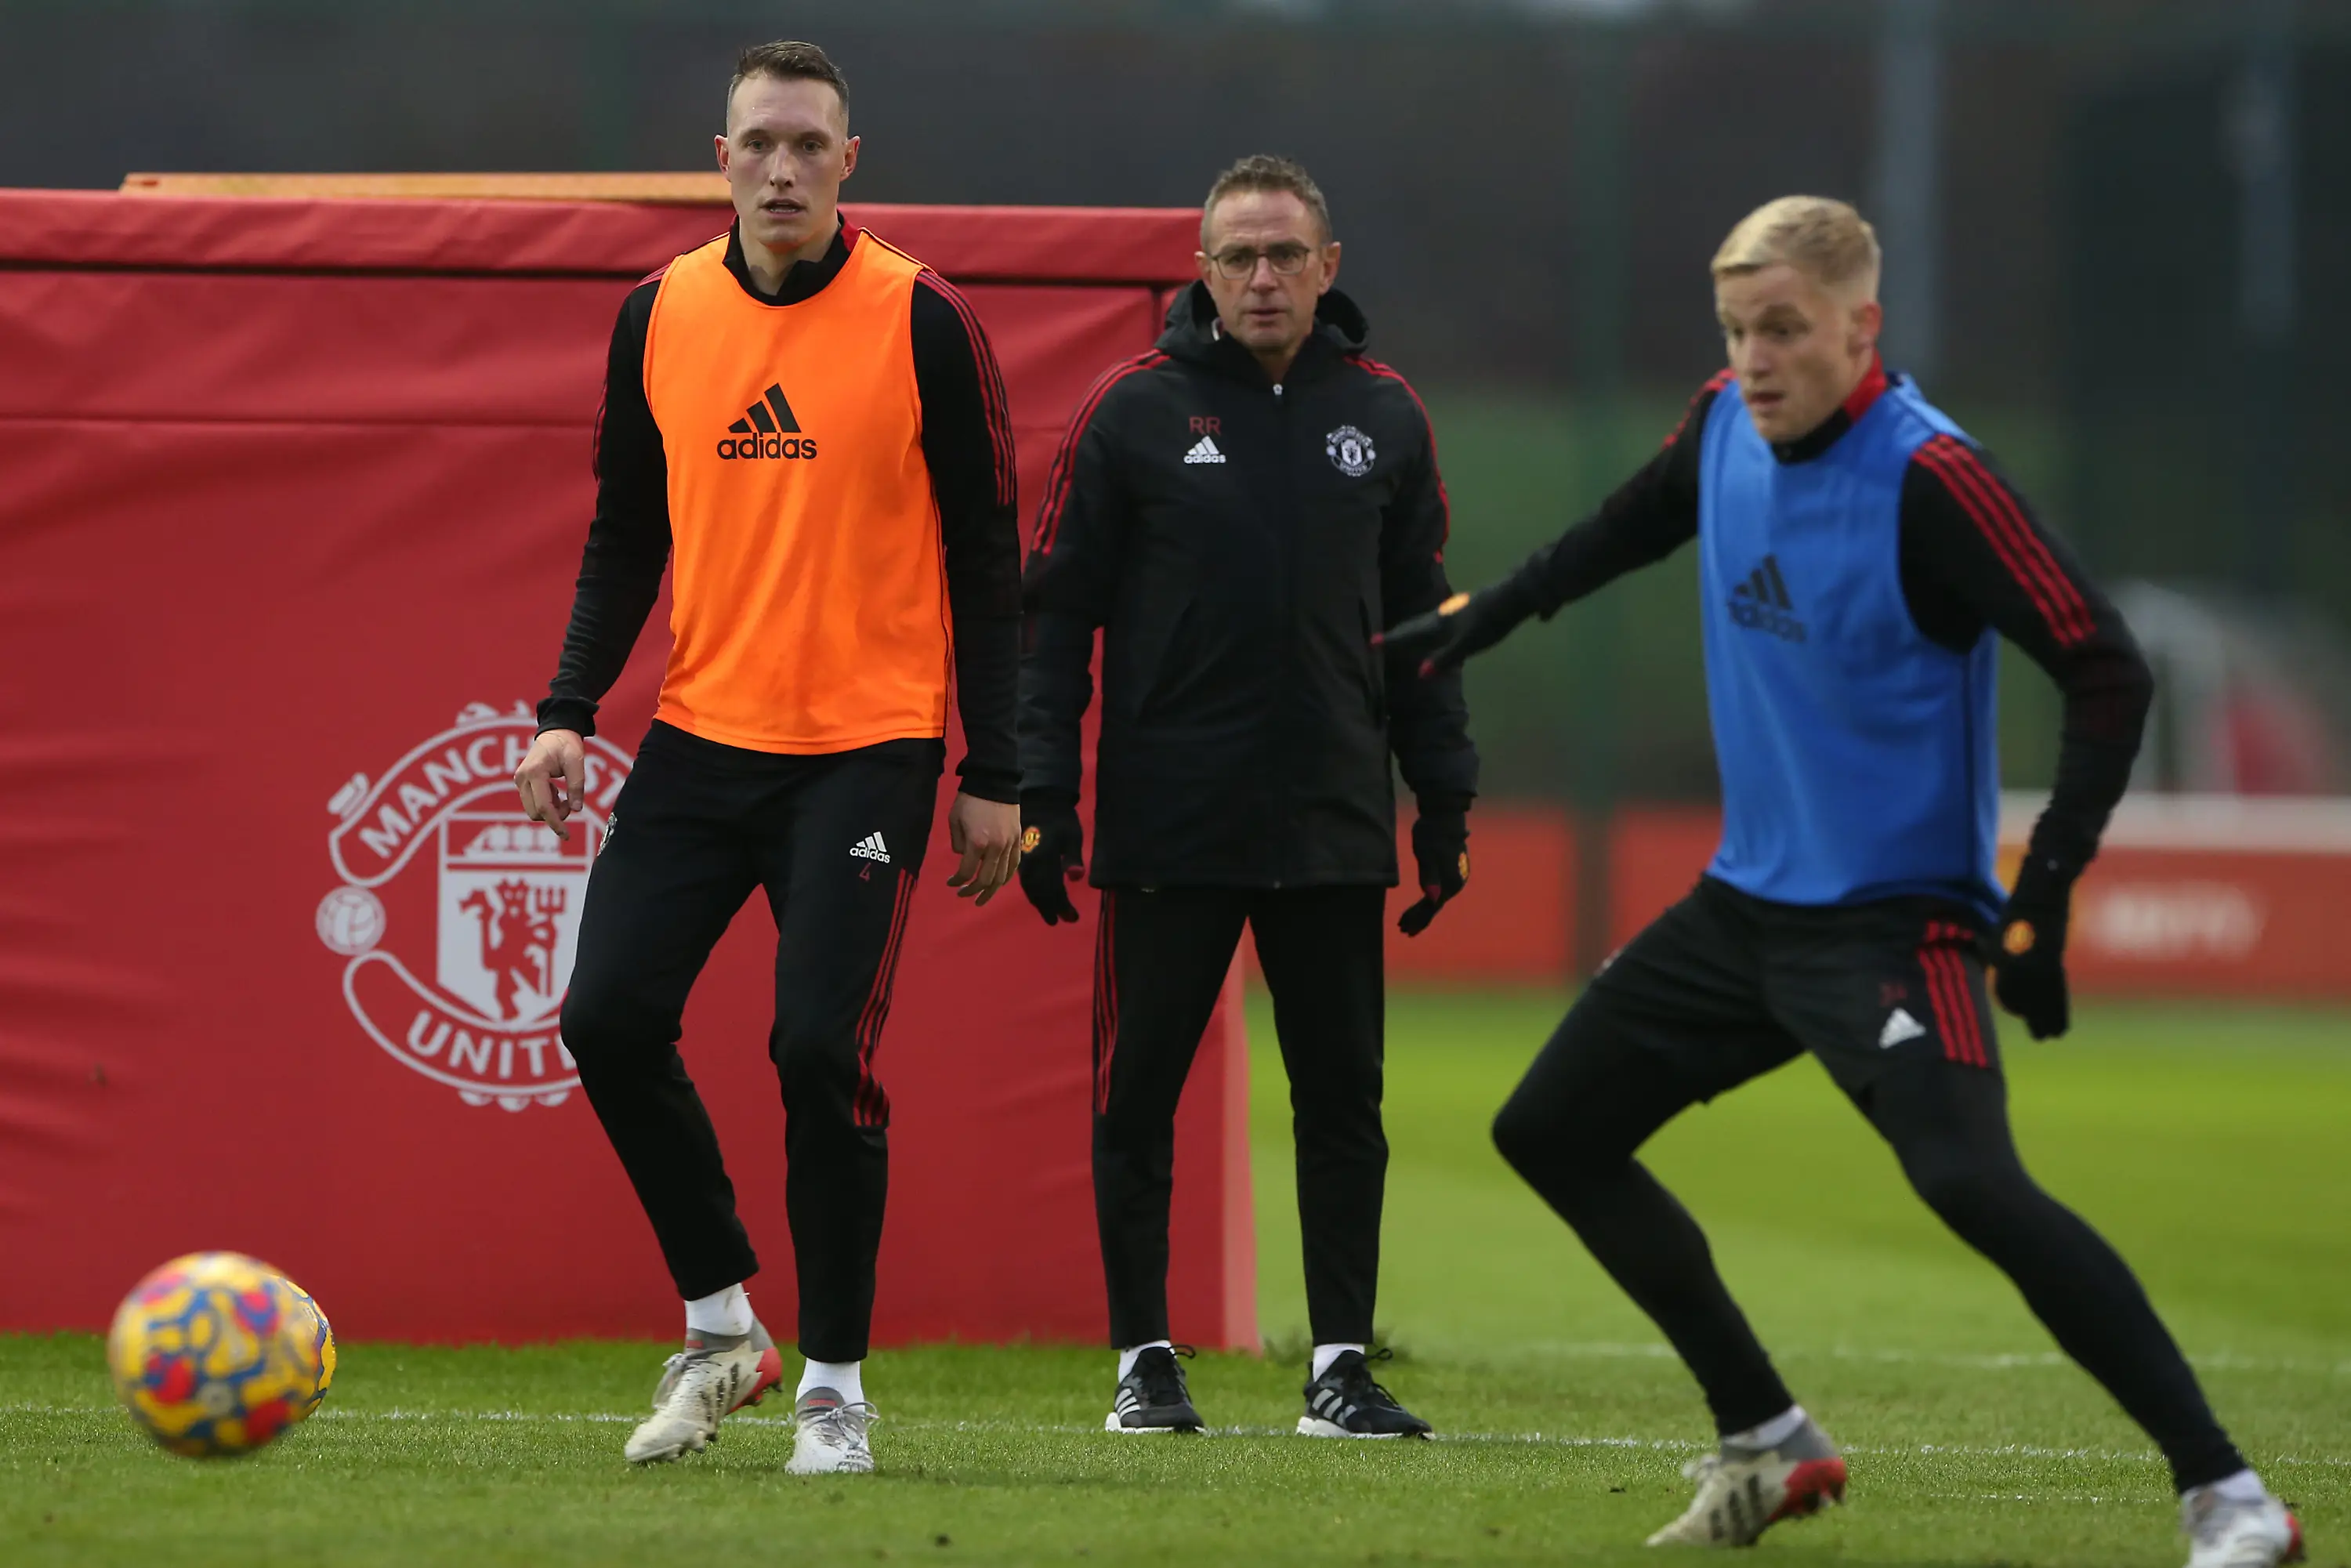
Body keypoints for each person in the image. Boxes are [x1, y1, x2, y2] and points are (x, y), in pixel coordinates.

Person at [1382, 197, 2305, 1566]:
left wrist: (2043, 898)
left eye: (1785, 330)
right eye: (1736, 331)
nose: (1755, 360)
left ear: (1862, 327)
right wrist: (1485, 615)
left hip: (1892, 924)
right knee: (1552, 1132)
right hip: (1745, 907)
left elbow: (2106, 669)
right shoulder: (1721, 425)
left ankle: (2231, 1499)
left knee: (1971, 1186)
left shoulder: (1933, 477)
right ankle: (1768, 1439)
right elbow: (1623, 527)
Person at [511, 40, 1023, 1476]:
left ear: (849, 162)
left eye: (808, 145)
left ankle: (835, 1392)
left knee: (815, 1052)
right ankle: (725, 1328)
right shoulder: (660, 312)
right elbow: (626, 530)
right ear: (720, 159)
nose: (782, 168)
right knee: (607, 1017)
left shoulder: (924, 318)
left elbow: (990, 559)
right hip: (700, 738)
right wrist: (566, 705)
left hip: (868, 751)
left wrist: (999, 767)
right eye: (758, 144)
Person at [1019, 155, 1477, 1438]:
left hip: (1332, 819)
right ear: (1203, 272)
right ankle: (1144, 1361)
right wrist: (1042, 789)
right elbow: (1054, 621)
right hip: (1172, 818)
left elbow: (1425, 627)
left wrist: (1443, 801)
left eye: (1284, 255)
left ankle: (1339, 1368)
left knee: (1342, 1104)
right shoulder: (1132, 411)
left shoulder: (1385, 415)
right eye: (1238, 257)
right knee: (1140, 1096)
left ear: (1328, 268)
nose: (1262, 277)